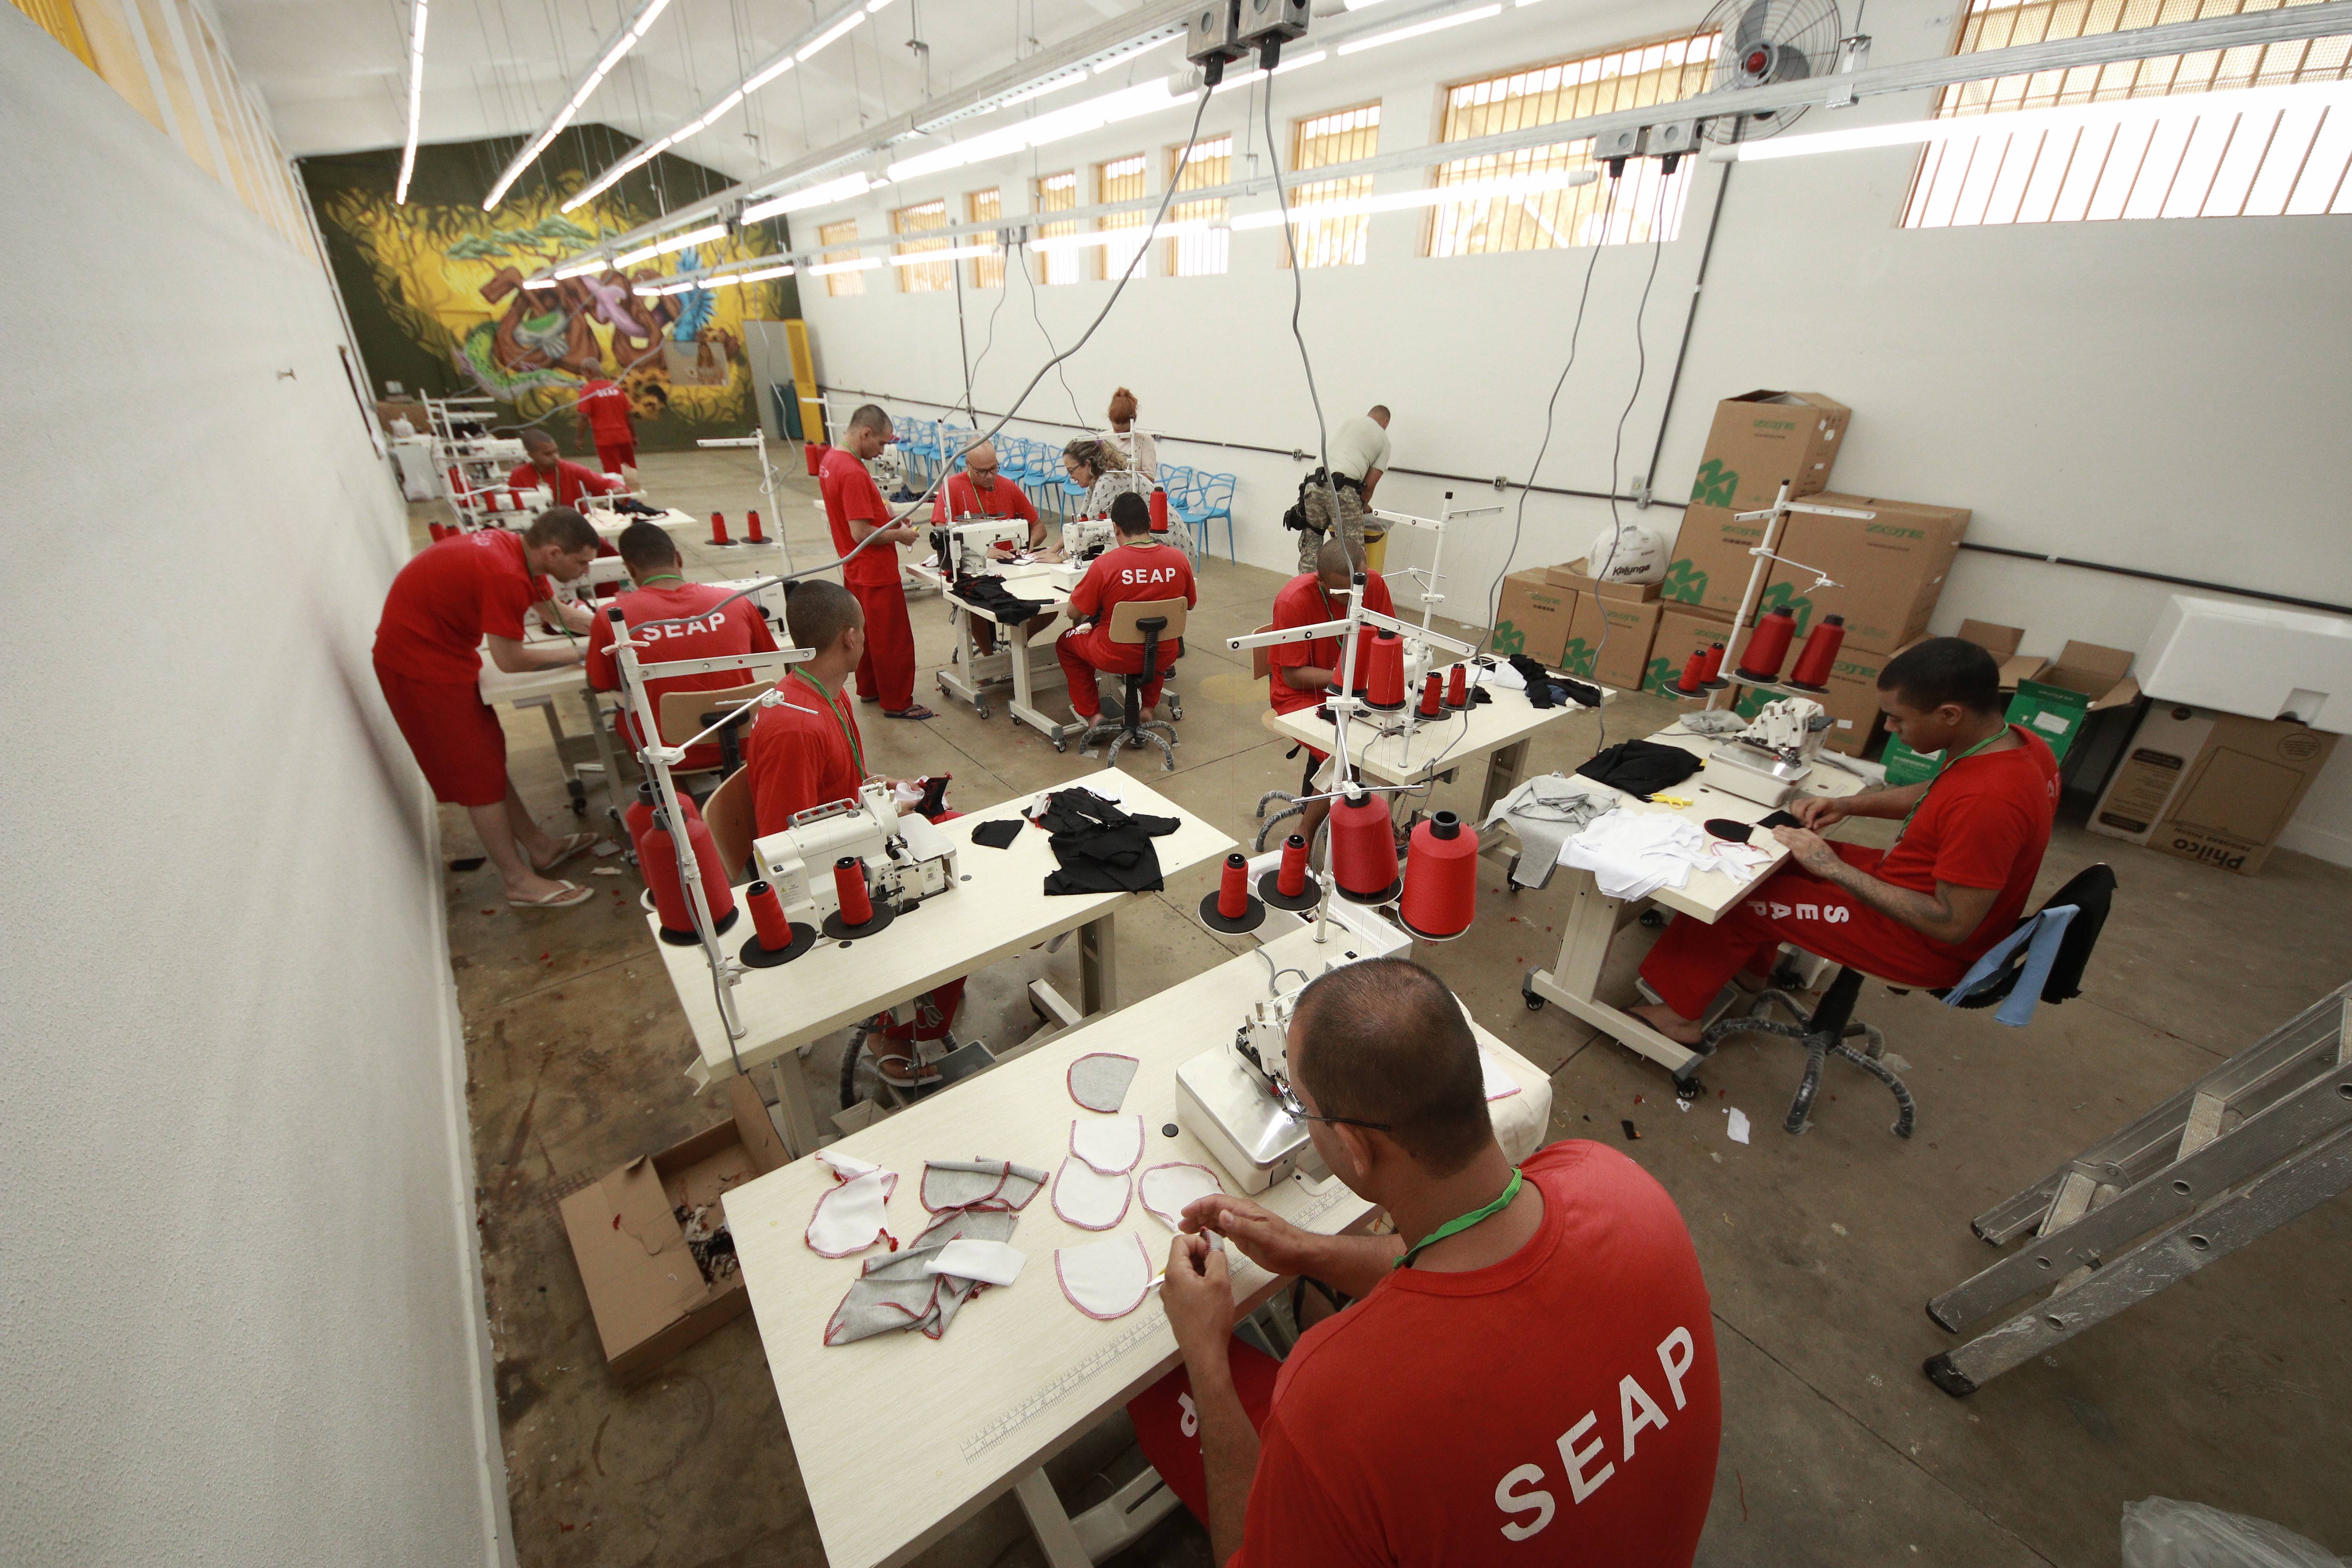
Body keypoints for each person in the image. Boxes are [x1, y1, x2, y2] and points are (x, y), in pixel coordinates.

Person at [1161, 958, 1722, 1565]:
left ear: (1352, 1145)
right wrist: (1307, 1252)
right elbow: (1471, 1253)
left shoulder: (1333, 1407)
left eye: (1303, 1106)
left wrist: (1205, 1356)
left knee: (1159, 1392)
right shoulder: (1613, 1182)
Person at [1629, 637, 2062, 1045]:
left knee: (1735, 892)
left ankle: (1677, 1017)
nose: (1890, 728)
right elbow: (1941, 791)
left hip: (1919, 939)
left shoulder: (1991, 801)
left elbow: (1951, 923)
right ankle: (1750, 971)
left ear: (1950, 714)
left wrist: (1832, 868)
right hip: (1912, 881)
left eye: (1899, 718)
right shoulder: (2015, 746)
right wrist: (1852, 806)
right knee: (1769, 855)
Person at [744, 581, 963, 1084]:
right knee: (951, 894)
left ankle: (935, 990)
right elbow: (783, 841)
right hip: (832, 871)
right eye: (863, 630)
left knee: (952, 826)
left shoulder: (827, 695)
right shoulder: (796, 726)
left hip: (852, 838)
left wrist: (881, 790)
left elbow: (835, 790)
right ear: (850, 638)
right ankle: (889, 1032)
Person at [372, 509, 605, 909]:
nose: (585, 571)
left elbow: (554, 612)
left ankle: (539, 847)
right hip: (419, 666)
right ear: (553, 552)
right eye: (581, 562)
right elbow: (510, 659)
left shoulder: (516, 549)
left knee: (488, 758)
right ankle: (518, 881)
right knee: (477, 775)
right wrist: (584, 650)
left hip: (443, 654)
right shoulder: (505, 574)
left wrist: (612, 625)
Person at [584, 520, 778, 772]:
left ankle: (675, 799)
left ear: (630, 569)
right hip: (746, 740)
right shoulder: (734, 602)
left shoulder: (613, 617)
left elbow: (599, 684)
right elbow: (765, 657)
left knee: (626, 716)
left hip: (669, 752)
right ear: (679, 558)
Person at [1267, 537, 1394, 845]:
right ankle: (1305, 834)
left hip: (1353, 688)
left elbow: (1392, 640)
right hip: (1302, 695)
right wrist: (1349, 681)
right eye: (1344, 593)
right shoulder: (1294, 600)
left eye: (1358, 589)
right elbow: (1294, 676)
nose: (1355, 600)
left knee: (1389, 743)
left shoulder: (1372, 585)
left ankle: (1370, 825)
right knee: (1347, 754)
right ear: (1320, 580)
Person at [822, 404, 933, 719]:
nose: (882, 451)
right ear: (865, 433)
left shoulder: (832, 461)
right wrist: (901, 536)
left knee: (864, 635)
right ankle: (898, 701)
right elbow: (860, 532)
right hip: (875, 571)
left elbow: (855, 521)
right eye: (882, 443)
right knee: (892, 639)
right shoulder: (853, 472)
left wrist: (886, 514)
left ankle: (870, 688)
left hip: (854, 568)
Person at [1056, 491, 1195, 728]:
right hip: (1164, 653)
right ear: (1150, 523)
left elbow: (1073, 612)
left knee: (1066, 643)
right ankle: (1148, 709)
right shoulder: (1178, 560)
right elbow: (1189, 604)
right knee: (1157, 638)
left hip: (1114, 656)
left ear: (1116, 528)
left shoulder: (1105, 566)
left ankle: (1093, 715)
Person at [933, 439, 1051, 656]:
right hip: (978, 570)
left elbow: (1039, 526)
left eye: (994, 469)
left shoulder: (1008, 487)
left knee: (1051, 603)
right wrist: (982, 552)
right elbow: (942, 534)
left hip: (1014, 566)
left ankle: (1018, 646)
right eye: (983, 472)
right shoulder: (952, 489)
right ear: (968, 466)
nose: (991, 476)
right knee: (974, 604)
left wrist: (1029, 543)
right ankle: (989, 659)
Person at [1296, 404, 1391, 573]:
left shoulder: (1348, 423)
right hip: (1344, 490)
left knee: (1311, 545)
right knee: (1352, 553)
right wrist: (1361, 506)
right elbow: (1369, 485)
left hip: (1312, 485)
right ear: (1386, 423)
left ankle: (1306, 591)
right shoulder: (1383, 438)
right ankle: (1351, 598)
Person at [510, 428, 622, 510]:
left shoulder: (573, 470)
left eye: (556, 451)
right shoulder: (518, 476)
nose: (556, 457)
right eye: (548, 454)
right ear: (531, 455)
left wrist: (617, 489)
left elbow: (606, 485)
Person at [1063, 437, 1154, 523]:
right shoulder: (1095, 480)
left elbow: (1089, 526)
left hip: (1157, 534)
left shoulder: (1108, 480)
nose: (1071, 477)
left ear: (1088, 464)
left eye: (1072, 471)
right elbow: (1082, 519)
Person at [577, 374, 637, 479]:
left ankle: (620, 495)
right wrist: (633, 435)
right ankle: (632, 492)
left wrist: (579, 438)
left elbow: (584, 416)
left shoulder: (588, 390)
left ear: (587, 372)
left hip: (605, 439)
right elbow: (629, 414)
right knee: (630, 469)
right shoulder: (616, 388)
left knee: (614, 473)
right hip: (624, 436)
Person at [1100, 386, 1158, 480]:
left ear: (1133, 422)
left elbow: (1150, 478)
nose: (1122, 437)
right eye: (1117, 431)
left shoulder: (1145, 440)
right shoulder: (1103, 439)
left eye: (1127, 432)